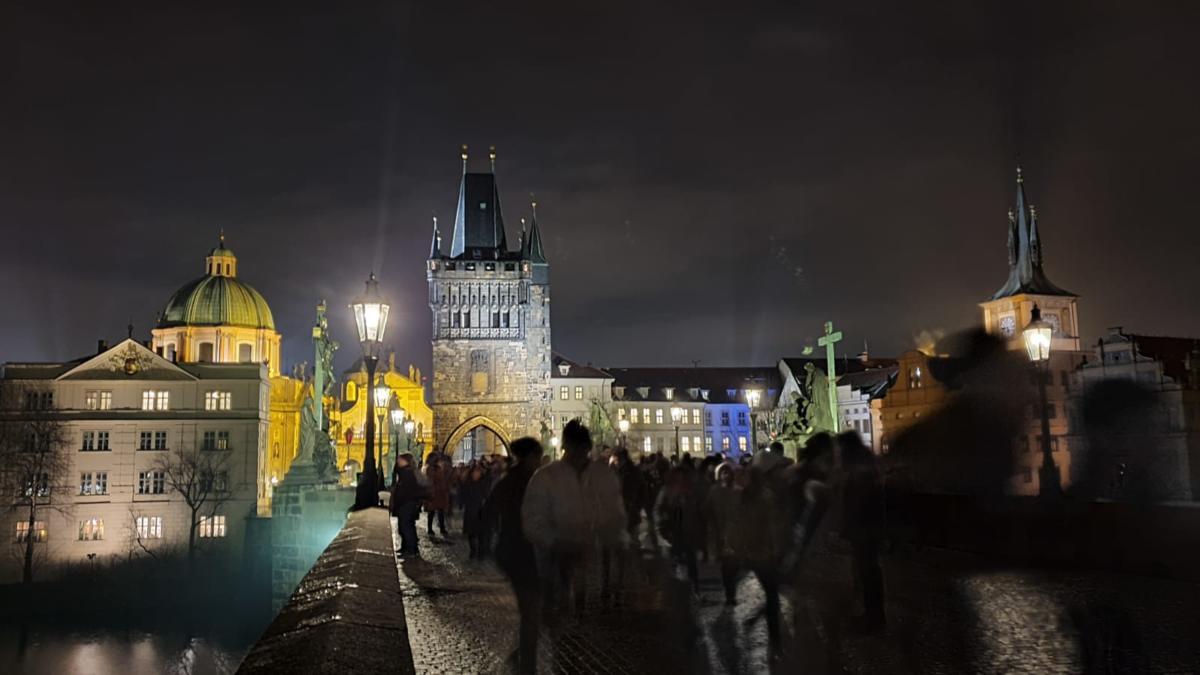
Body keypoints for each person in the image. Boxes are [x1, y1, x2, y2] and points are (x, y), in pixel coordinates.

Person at [522, 420, 626, 623]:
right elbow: (533, 521)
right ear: (565, 448)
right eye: (574, 451)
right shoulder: (546, 477)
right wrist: (555, 542)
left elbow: (615, 512)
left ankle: (580, 614)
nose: (579, 457)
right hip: (554, 560)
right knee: (558, 611)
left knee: (580, 607)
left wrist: (608, 533)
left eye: (582, 451)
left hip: (587, 557)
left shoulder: (601, 475)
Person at [485, 437, 544, 674]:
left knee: (532, 609)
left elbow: (487, 511)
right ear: (529, 457)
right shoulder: (531, 481)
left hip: (513, 550)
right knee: (532, 610)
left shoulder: (508, 480)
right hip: (523, 553)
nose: (539, 461)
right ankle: (526, 663)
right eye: (537, 456)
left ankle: (523, 656)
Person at [839, 431, 887, 633]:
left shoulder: (858, 470)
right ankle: (873, 615)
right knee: (869, 573)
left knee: (868, 573)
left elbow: (856, 503)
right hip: (869, 528)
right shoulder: (865, 464)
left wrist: (848, 526)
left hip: (864, 529)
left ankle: (873, 618)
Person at [706, 461, 742, 604]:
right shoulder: (714, 491)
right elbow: (708, 511)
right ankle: (730, 594)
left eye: (728, 473)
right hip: (720, 532)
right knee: (727, 565)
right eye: (723, 473)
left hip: (736, 532)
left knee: (734, 565)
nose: (725, 475)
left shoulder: (738, 491)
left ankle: (731, 591)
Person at [390, 453, 423, 557]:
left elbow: (406, 490)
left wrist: (400, 500)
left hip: (407, 504)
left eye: (399, 460)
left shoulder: (408, 473)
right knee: (405, 526)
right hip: (406, 503)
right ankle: (406, 548)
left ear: (405, 461)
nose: (397, 461)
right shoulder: (405, 472)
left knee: (406, 527)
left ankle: (411, 549)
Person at [459, 463, 489, 559]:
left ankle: (481, 552)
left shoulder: (483, 483)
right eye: (475, 472)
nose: (476, 474)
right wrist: (462, 502)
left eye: (478, 472)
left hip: (480, 511)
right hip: (470, 510)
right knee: (470, 532)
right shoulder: (467, 483)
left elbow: (487, 495)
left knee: (480, 533)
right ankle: (473, 550)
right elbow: (462, 494)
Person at [424, 458, 450, 537]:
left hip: (439, 493)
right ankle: (431, 528)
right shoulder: (431, 469)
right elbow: (432, 480)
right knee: (432, 512)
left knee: (440, 511)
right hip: (434, 493)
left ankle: (441, 528)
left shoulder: (438, 468)